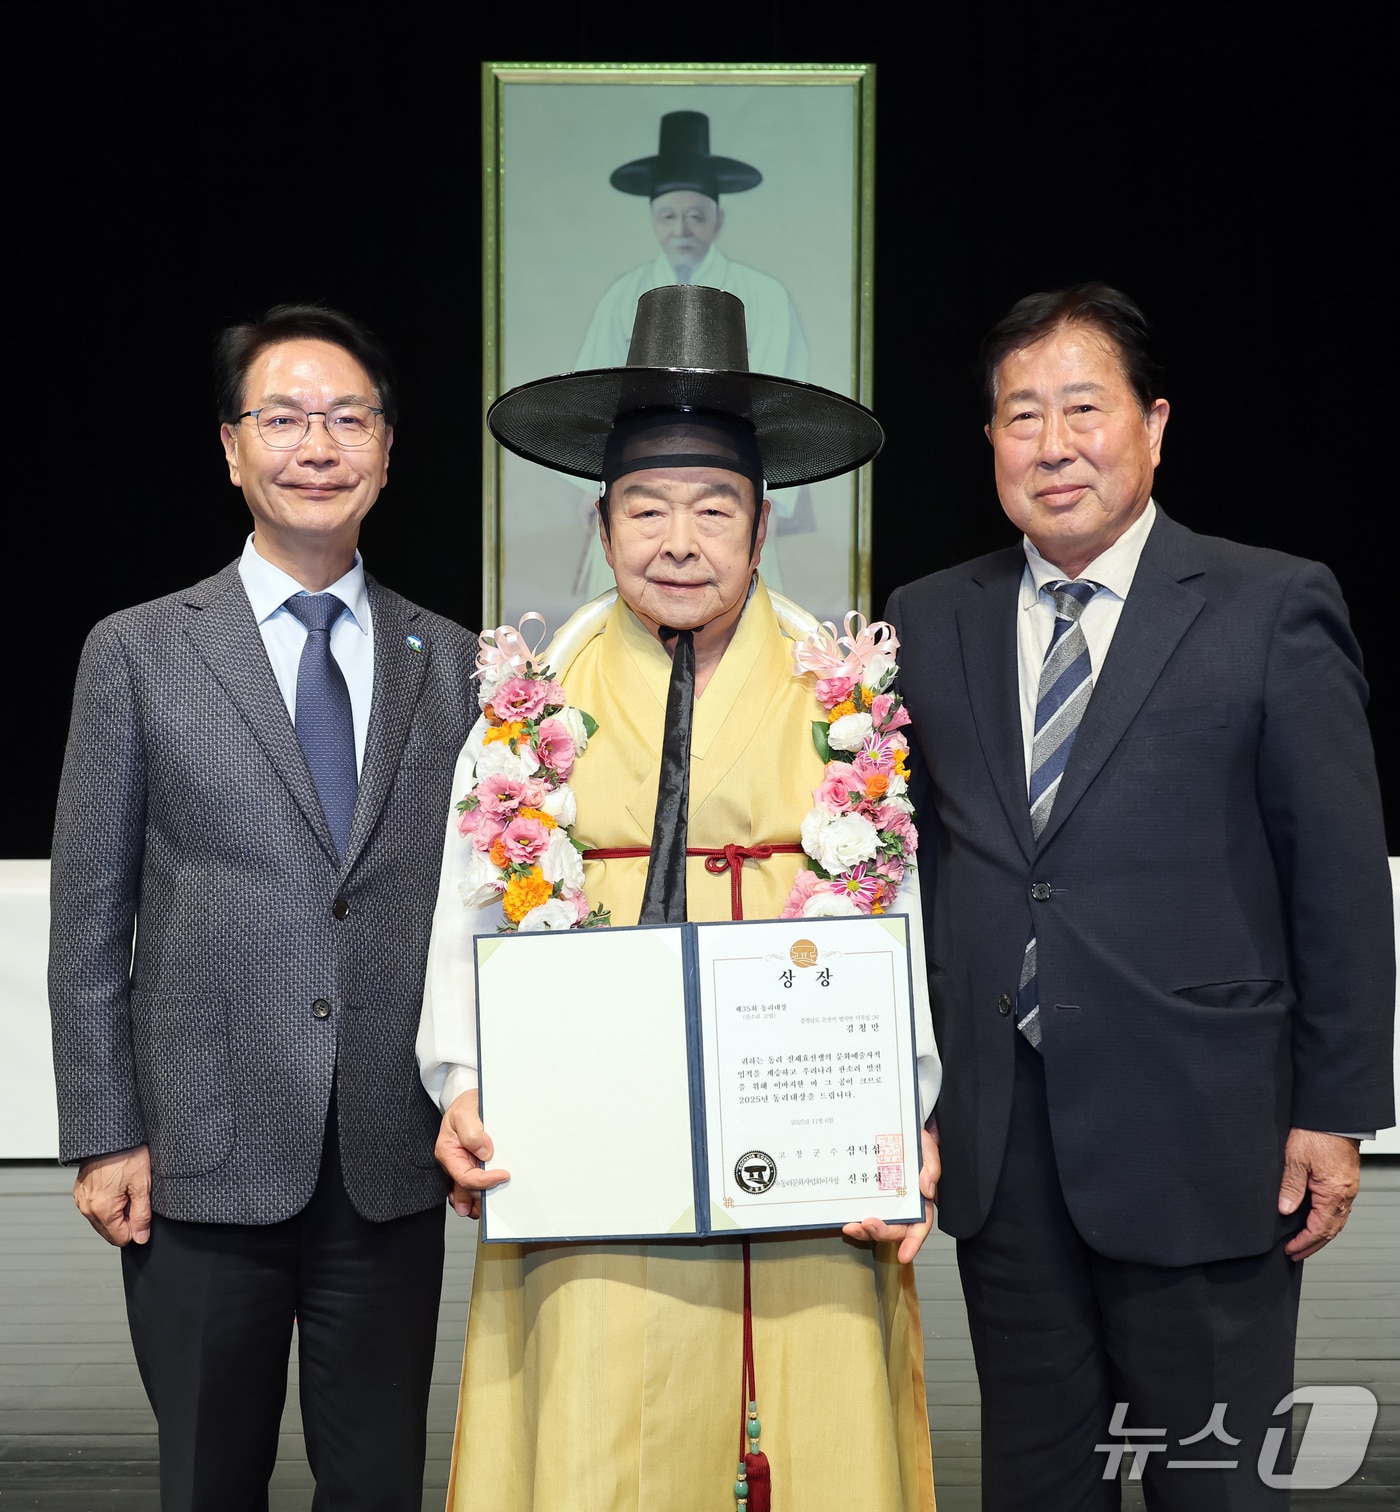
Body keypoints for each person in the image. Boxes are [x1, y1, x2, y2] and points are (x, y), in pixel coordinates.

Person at [418, 284, 941, 1510]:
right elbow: (468, 910)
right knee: (600, 1419)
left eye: (714, 509)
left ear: (762, 531)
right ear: (602, 528)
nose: (678, 540)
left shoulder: (841, 698)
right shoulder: (528, 699)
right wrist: (465, 1085)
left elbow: (895, 916)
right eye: (645, 509)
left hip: (798, 1137)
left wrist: (898, 1114)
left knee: (812, 1429)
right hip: (588, 1143)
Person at [886, 283, 1395, 1511]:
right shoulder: (924, 620)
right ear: (989, 443)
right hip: (1002, 1145)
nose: (1052, 445)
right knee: (1032, 1478)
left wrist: (1333, 1110)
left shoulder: (1268, 605)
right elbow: (927, 874)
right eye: (1020, 416)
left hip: (1206, 1138)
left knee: (1207, 1481)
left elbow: (1333, 877)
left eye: (1082, 408)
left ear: (1153, 425)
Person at [48, 304, 480, 1511]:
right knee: (209, 1482)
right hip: (197, 1155)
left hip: (390, 1162)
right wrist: (104, 1132)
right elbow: (89, 912)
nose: (318, 445)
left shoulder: (450, 662)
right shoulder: (136, 651)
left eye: (348, 419)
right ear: (232, 448)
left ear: (388, 451)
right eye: (283, 418)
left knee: (378, 1484)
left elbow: (483, 903)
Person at [571, 110, 810, 598]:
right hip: (641, 498)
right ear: (653, 220)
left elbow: (780, 400)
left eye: (696, 215)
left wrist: (755, 506)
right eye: (668, 216)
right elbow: (592, 398)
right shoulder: (624, 294)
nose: (682, 228)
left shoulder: (763, 295)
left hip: (728, 498)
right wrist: (604, 492)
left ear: (718, 220)